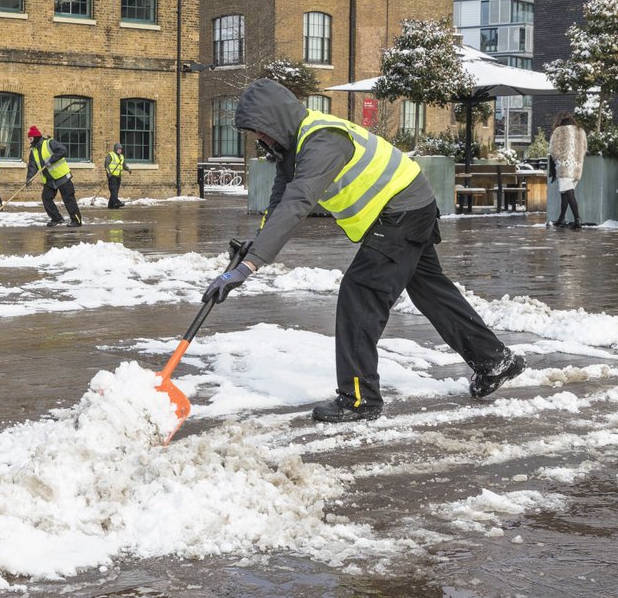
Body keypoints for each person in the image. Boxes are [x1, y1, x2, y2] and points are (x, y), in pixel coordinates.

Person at [202, 79, 526, 423]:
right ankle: (494, 360)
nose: (260, 138)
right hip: (409, 206)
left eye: (260, 129)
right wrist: (256, 246)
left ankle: (359, 398)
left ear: (275, 118)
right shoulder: (293, 149)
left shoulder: (323, 142)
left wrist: (248, 267)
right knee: (431, 290)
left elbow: (299, 202)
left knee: (359, 294)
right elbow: (281, 202)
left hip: (401, 212)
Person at [25, 125, 82, 227]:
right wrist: (29, 178)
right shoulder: (33, 151)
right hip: (50, 180)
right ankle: (57, 218)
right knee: (46, 198)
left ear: (36, 137)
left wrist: (51, 160)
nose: (29, 140)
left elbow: (63, 150)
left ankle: (76, 220)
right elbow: (32, 166)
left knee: (68, 199)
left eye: (30, 138)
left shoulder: (49, 143)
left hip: (62, 176)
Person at [549, 111, 587, 229]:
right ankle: (561, 218)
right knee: (565, 193)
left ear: (559, 120)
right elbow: (584, 148)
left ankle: (577, 219)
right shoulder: (580, 131)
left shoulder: (558, 131)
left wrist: (558, 159)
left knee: (569, 192)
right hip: (577, 166)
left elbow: (553, 149)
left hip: (564, 165)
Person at [104, 143, 130, 209]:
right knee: (114, 190)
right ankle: (117, 202)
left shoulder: (122, 156)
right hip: (112, 176)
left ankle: (111, 205)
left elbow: (123, 165)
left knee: (115, 191)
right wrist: (109, 173)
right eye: (118, 149)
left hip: (118, 176)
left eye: (121, 149)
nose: (120, 150)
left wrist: (128, 169)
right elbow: (106, 165)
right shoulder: (110, 155)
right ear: (115, 149)